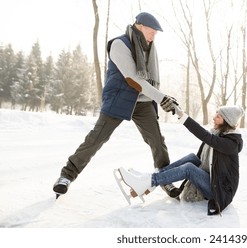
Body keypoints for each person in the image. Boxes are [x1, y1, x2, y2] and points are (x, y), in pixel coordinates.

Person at [53, 12, 180, 198]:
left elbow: (151, 79)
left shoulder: (150, 47)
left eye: (156, 33)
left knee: (157, 141)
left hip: (143, 101)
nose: (154, 36)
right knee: (96, 139)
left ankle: (165, 179)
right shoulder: (119, 44)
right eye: (151, 31)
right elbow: (134, 80)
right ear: (139, 26)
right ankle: (67, 175)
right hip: (120, 97)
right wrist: (161, 98)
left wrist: (161, 100)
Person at [116, 105, 244, 215]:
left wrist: (185, 118)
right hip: (212, 180)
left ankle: (149, 181)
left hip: (218, 191)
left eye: (219, 116)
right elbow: (203, 152)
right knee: (192, 158)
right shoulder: (220, 135)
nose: (214, 118)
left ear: (227, 121)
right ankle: (149, 180)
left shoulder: (230, 143)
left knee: (189, 168)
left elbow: (206, 137)